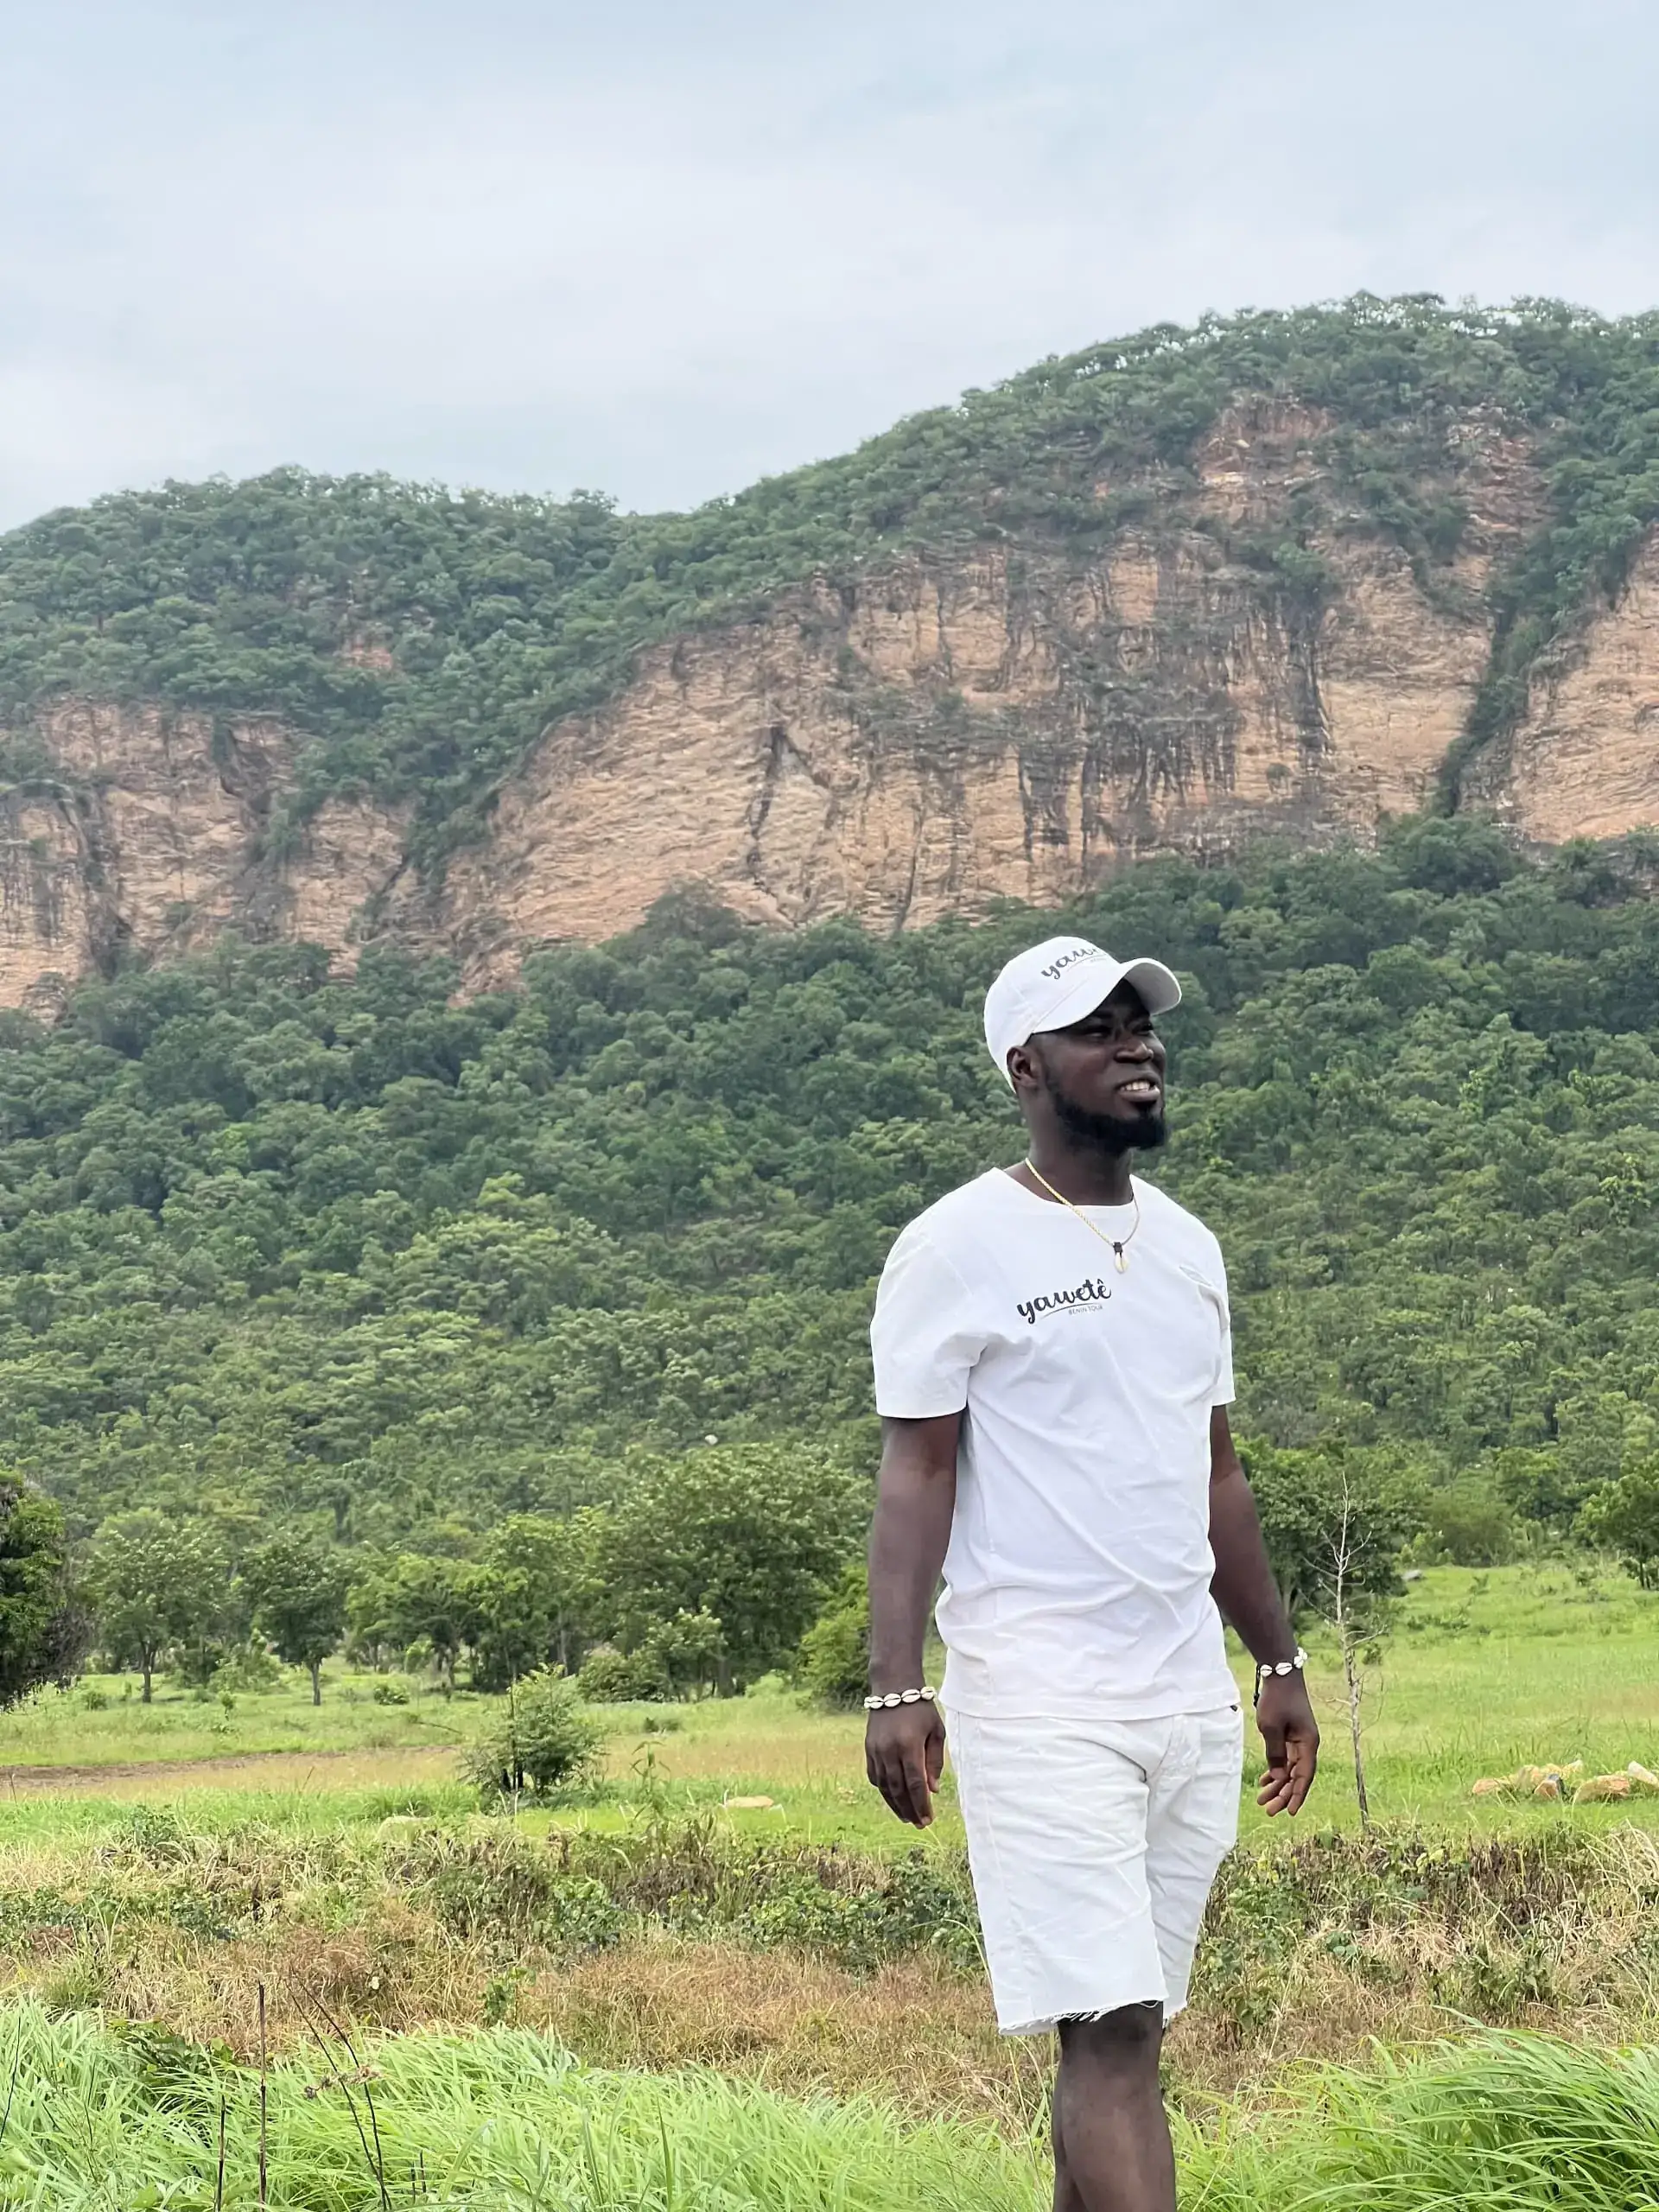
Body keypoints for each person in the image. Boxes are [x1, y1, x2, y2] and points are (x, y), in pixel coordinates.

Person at [865, 934, 1319, 2212]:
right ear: (1026, 1067)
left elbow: (1215, 1472)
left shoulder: (1189, 1248)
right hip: (1041, 1695)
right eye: (1098, 1030)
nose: (1139, 1047)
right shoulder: (956, 1246)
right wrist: (894, 1684)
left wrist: (1277, 1660)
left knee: (1127, 2029)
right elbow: (917, 1474)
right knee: (1110, 2029)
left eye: (1141, 1024)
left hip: (1184, 1696)